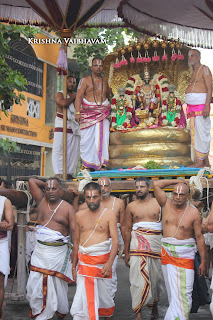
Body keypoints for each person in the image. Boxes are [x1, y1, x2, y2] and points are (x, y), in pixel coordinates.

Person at [153, 179, 206, 320]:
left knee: (184, 294)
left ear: (187, 196)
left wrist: (203, 261)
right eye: (175, 193)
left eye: (181, 194)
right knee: (173, 294)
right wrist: (179, 181)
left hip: (185, 256)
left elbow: (200, 237)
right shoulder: (165, 203)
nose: (177, 197)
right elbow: (156, 184)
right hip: (167, 255)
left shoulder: (194, 213)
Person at [26, 177, 76, 320]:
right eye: (47, 188)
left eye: (54, 188)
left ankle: (58, 313)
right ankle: (41, 316)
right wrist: (50, 183)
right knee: (33, 288)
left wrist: (75, 254)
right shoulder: (41, 201)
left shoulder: (68, 208)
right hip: (40, 253)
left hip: (58, 254)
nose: (50, 191)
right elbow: (31, 181)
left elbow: (75, 234)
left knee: (58, 287)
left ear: (60, 190)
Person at [70, 182, 118, 320]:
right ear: (84, 197)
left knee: (106, 301)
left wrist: (109, 263)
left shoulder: (109, 215)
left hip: (102, 264)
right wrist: (73, 266)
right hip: (84, 264)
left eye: (95, 197)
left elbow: (115, 241)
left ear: (101, 196)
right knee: (82, 304)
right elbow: (76, 242)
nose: (91, 200)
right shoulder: (79, 215)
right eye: (88, 197)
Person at [124, 177, 163, 320]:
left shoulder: (159, 203)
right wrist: (126, 251)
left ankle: (155, 308)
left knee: (156, 279)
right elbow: (127, 230)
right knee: (136, 280)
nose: (139, 189)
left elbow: (166, 226)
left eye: (142, 186)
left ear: (149, 188)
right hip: (136, 244)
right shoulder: (131, 206)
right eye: (137, 187)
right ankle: (138, 313)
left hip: (155, 244)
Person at [75, 57, 111, 171]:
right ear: (92, 67)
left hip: (103, 114)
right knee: (87, 140)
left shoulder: (105, 81)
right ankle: (88, 165)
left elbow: (109, 96)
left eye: (101, 66)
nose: (98, 68)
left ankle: (101, 164)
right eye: (96, 65)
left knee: (103, 139)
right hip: (87, 114)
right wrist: (77, 112)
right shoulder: (85, 80)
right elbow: (79, 97)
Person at [185, 49, 212, 168]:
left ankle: (200, 161)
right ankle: (205, 162)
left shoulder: (204, 69)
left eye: (193, 56)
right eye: (189, 56)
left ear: (199, 57)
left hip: (201, 107)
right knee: (195, 133)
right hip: (192, 109)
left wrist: (207, 105)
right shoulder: (193, 71)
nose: (190, 58)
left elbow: (209, 88)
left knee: (201, 134)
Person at [52, 75, 80, 179]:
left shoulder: (76, 96)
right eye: (69, 82)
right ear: (65, 82)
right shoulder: (60, 94)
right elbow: (63, 103)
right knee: (58, 149)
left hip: (73, 126)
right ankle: (58, 175)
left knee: (73, 152)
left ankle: (69, 174)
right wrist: (73, 97)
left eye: (73, 82)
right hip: (61, 123)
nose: (71, 84)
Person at [0, 195, 14, 320]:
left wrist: (5, 223)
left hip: (1, 243)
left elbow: (10, 226)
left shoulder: (5, 201)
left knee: (0, 280)